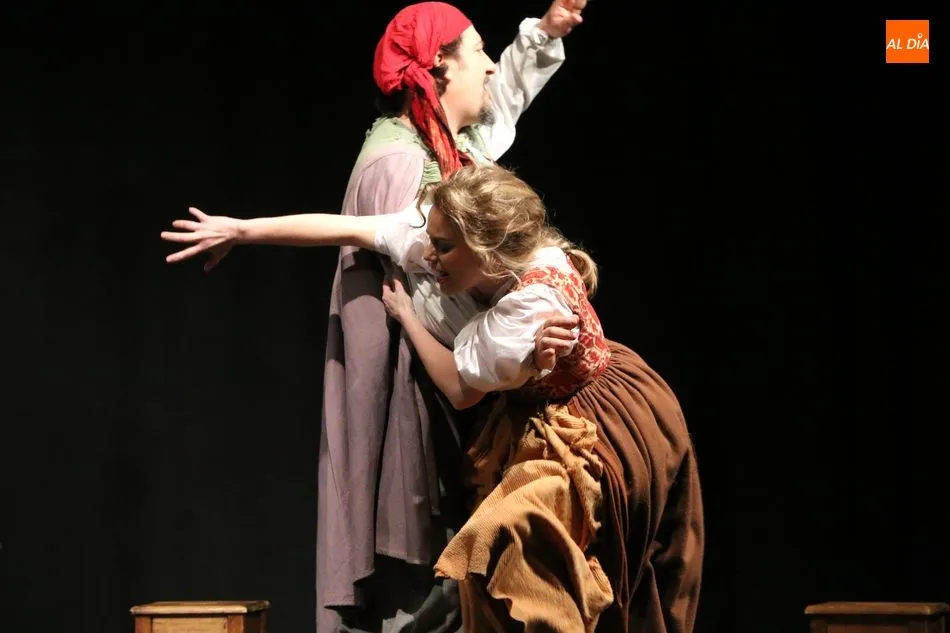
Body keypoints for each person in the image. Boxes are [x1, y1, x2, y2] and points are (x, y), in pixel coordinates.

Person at [161, 163, 705, 633]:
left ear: (488, 250)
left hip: (592, 426)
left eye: (444, 247)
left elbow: (461, 390)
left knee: (528, 546)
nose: (429, 254)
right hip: (537, 415)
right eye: (432, 237)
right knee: (513, 563)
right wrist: (241, 230)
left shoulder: (531, 304)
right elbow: (349, 229)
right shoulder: (452, 247)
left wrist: (408, 317)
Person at [324, 1, 588, 631]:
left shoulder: (448, 143)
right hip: (429, 387)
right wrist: (521, 343)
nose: (492, 66)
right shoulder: (401, 162)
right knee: (432, 581)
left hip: (472, 375)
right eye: (478, 51)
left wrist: (544, 34)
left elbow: (503, 101)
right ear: (440, 65)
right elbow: (432, 295)